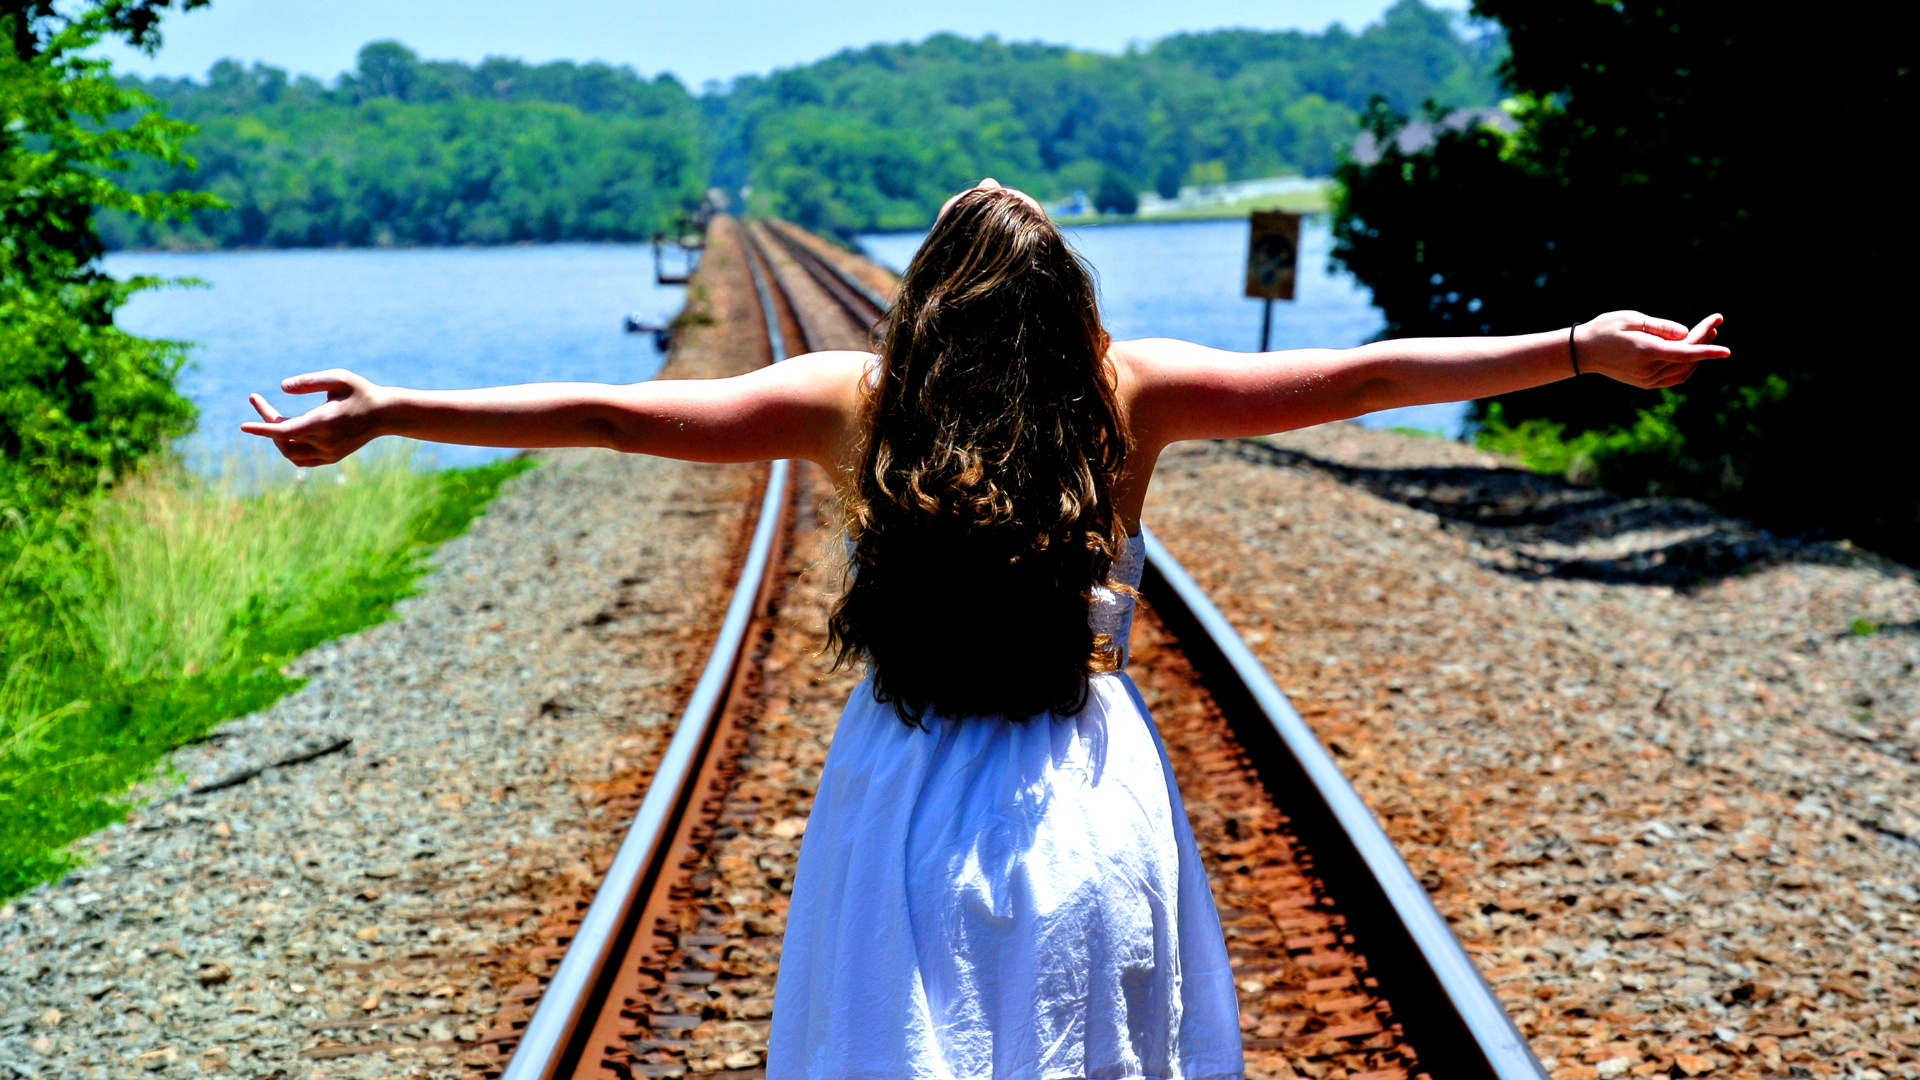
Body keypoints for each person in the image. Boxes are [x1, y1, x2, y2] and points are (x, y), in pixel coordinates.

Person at [242, 179, 1727, 1079]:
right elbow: (1360, 377)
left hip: (905, 777)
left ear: (930, 311)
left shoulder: (857, 402)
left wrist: (401, 411)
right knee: (1084, 1023)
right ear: (1063, 305)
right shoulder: (1129, 394)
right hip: (1084, 781)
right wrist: (1579, 349)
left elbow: (621, 414)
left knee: (909, 1029)